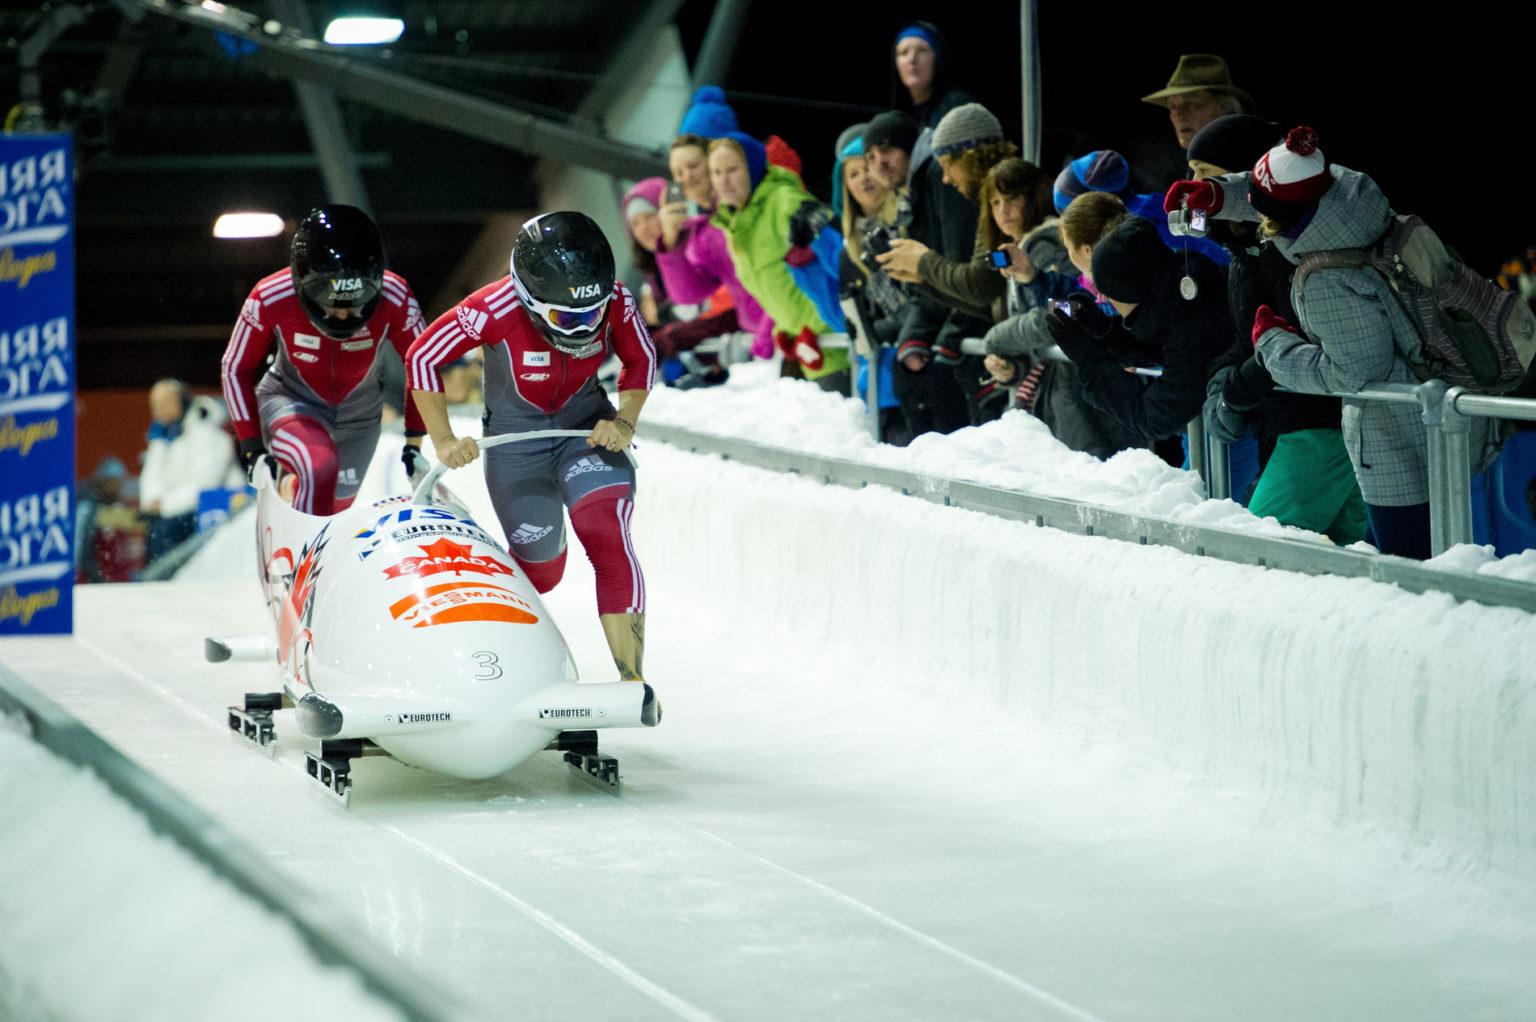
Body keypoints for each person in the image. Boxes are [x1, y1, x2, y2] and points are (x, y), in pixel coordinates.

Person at [1167, 127, 1497, 558]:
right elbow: (1266, 193)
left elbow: (1355, 372)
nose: (1262, 229)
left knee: (1410, 577)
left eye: (1266, 220)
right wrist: (1214, 194)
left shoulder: (1325, 278)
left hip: (1394, 442)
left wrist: (1272, 345)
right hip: (1427, 421)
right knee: (1370, 564)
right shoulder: (1350, 204)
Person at [406, 212, 656, 683]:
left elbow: (641, 357)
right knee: (542, 573)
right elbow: (422, 355)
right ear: (529, 299)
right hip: (515, 445)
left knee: (605, 531)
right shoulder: (491, 307)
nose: (584, 328)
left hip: (585, 432)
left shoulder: (617, 298)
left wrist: (624, 421)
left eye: (593, 313)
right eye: (567, 317)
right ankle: (498, 667)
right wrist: (442, 439)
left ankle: (633, 678)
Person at [1186, 115, 1366, 542]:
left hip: (1319, 424)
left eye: (1205, 175)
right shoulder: (1245, 250)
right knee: (1335, 568)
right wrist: (1223, 380)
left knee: (1257, 557)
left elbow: (1301, 340)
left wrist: (1236, 389)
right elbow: (1249, 339)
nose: (1194, 187)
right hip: (1297, 425)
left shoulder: (1288, 249)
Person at [221, 205, 428, 514]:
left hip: (359, 415)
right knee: (319, 469)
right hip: (291, 401)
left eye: (354, 303)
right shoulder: (269, 296)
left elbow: (423, 364)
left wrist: (415, 441)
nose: (343, 314)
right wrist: (251, 444)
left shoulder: (396, 296)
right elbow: (235, 367)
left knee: (336, 505)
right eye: (331, 304)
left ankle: (292, 489)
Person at [876, 103, 1019, 423]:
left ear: (969, 157)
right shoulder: (991, 205)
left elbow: (983, 282)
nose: (946, 179)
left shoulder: (1003, 208)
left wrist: (924, 264)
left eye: (947, 165)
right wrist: (921, 275)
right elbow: (984, 289)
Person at [1048, 215, 1230, 449]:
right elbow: (1159, 345)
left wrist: (1090, 358)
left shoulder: (1194, 327)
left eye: (1108, 292)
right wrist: (1103, 330)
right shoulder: (1183, 297)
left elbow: (1152, 418)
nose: (1105, 300)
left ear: (1130, 290)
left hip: (1256, 428)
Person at [982, 186, 1137, 458]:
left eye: (1067, 248)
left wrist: (995, 340)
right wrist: (1032, 276)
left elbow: (1061, 311)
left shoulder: (1116, 287)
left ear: (1086, 249)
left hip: (1109, 418)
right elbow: (1068, 301)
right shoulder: (1096, 283)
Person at [707, 132, 851, 391]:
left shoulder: (783, 200)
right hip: (800, 349)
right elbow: (774, 288)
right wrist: (779, 329)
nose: (724, 181)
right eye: (716, 172)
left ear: (752, 169)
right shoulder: (733, 225)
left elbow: (839, 257)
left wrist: (828, 323)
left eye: (732, 169)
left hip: (833, 342)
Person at [862, 110, 973, 435]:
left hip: (967, 338)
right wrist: (913, 339)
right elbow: (930, 286)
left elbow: (967, 271)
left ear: (911, 146)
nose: (879, 162)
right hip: (948, 335)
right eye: (871, 156)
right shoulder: (916, 190)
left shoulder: (938, 176)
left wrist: (947, 345)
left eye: (888, 149)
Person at [655, 133, 776, 363]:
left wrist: (769, 325)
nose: (686, 177)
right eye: (678, 173)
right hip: (757, 335)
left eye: (693, 166)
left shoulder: (742, 206)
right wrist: (672, 240)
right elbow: (689, 294)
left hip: (782, 325)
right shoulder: (701, 228)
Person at [622, 176, 734, 385]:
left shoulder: (698, 244)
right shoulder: (650, 273)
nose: (643, 228)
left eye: (649, 216)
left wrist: (666, 329)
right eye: (635, 223)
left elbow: (720, 306)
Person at [139, 379, 240, 562]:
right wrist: (153, 499)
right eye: (154, 404)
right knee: (154, 530)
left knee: (165, 532)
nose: (158, 409)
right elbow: (152, 476)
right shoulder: (161, 438)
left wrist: (164, 506)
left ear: (183, 401)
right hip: (174, 513)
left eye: (165, 402)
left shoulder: (208, 434)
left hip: (214, 514)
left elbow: (206, 485)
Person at [1141, 54, 1253, 151]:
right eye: (1172, 106)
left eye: (1191, 103)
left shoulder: (1253, 162)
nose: (1179, 115)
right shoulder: (1194, 165)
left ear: (1223, 107)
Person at [889, 21, 975, 129]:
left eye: (922, 50)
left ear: (938, 59)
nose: (912, 59)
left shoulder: (959, 107)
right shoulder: (898, 117)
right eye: (904, 52)